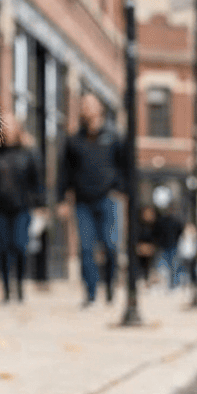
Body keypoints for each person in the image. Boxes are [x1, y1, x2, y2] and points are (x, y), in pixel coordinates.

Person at [56, 94, 127, 306]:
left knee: (110, 245)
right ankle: (90, 293)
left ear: (100, 108)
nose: (86, 108)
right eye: (83, 104)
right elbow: (65, 172)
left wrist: (120, 190)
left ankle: (111, 286)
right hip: (82, 201)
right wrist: (61, 200)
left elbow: (125, 167)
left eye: (90, 104)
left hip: (108, 199)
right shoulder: (74, 140)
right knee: (86, 248)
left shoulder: (115, 136)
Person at [0, 113, 44, 302]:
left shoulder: (29, 152)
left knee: (20, 247)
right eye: (4, 126)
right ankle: (6, 290)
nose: (7, 129)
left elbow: (37, 181)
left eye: (11, 125)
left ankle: (20, 287)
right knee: (2, 249)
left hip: (22, 208)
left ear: (18, 128)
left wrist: (40, 205)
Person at [153, 206, 184, 289]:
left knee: (174, 265)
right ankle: (168, 284)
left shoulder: (174, 221)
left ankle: (174, 284)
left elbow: (180, 231)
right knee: (165, 266)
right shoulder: (163, 221)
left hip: (171, 245)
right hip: (165, 245)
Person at [136, 205, 157, 283]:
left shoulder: (153, 226)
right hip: (140, 250)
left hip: (150, 250)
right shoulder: (138, 225)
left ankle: (147, 279)